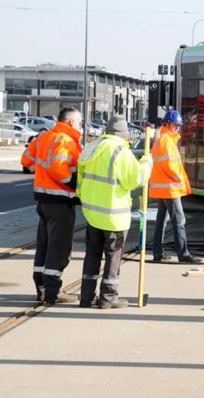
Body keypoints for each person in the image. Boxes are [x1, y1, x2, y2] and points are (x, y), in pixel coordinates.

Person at [77, 115, 153, 309]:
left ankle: (86, 296)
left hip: (92, 213)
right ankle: (108, 298)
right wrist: (146, 163)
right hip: (114, 216)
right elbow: (135, 180)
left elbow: (80, 182)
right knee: (113, 256)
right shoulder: (121, 152)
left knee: (92, 255)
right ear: (124, 133)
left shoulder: (90, 148)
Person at [21, 107, 84, 305]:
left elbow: (26, 161)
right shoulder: (66, 140)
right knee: (59, 247)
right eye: (80, 122)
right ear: (72, 122)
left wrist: (42, 175)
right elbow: (59, 168)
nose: (81, 126)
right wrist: (73, 183)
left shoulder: (43, 137)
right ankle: (52, 291)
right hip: (61, 201)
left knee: (44, 244)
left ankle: (41, 287)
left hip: (43, 200)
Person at [149, 109, 201, 264]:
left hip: (161, 187)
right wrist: (181, 180)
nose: (178, 128)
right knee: (179, 220)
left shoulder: (162, 139)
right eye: (175, 125)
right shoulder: (167, 140)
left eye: (179, 125)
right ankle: (183, 253)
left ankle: (157, 253)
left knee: (161, 220)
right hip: (169, 188)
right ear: (167, 123)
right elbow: (170, 165)